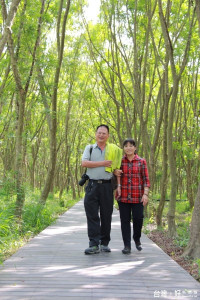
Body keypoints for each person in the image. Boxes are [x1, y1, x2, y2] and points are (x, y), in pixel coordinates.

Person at [82, 124, 122, 255]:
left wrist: (118, 184)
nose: (101, 135)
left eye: (104, 133)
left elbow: (117, 168)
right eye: (99, 133)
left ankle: (104, 243)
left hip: (107, 186)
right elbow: (84, 163)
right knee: (92, 215)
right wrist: (102, 163)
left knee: (106, 215)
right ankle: (93, 244)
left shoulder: (113, 150)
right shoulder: (89, 148)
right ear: (95, 134)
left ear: (108, 136)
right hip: (92, 185)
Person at [115, 138, 150, 254]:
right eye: (126, 146)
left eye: (131, 145)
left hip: (138, 196)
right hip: (123, 196)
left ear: (135, 148)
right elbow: (116, 177)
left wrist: (145, 194)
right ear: (123, 148)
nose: (128, 148)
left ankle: (137, 238)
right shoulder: (120, 161)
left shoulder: (141, 161)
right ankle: (127, 245)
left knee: (138, 219)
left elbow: (146, 179)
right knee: (124, 221)